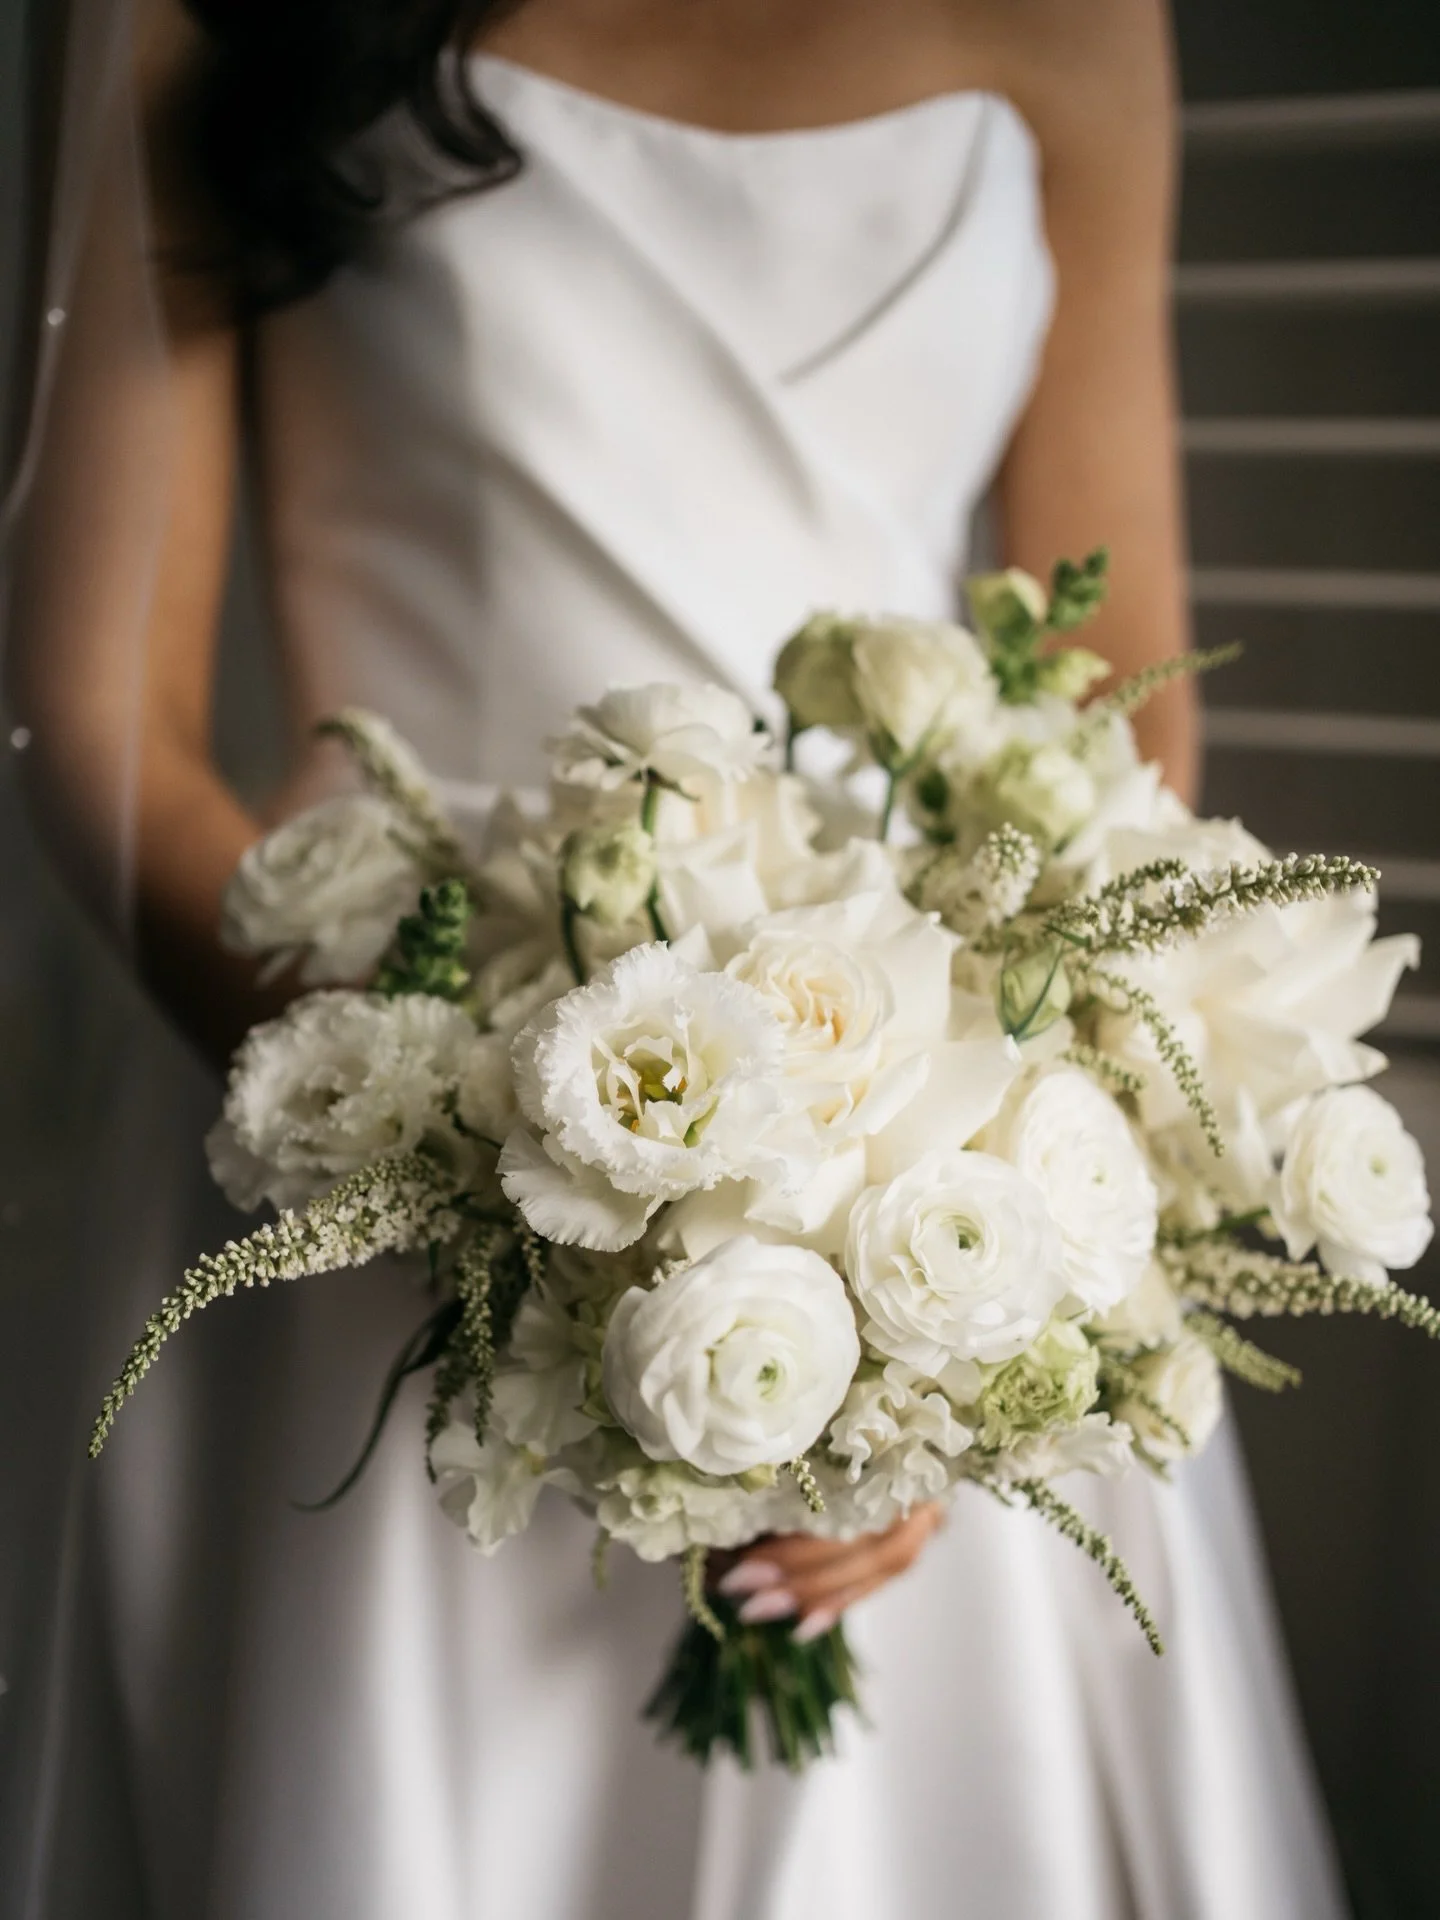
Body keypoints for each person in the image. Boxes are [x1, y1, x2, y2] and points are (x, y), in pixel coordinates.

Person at [3, 0, 1346, 1914]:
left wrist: (953, 1281)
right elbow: (97, 718)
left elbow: (1115, 697)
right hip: (386, 1192)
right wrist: (491, 1193)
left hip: (936, 1140)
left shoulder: (1080, 22)